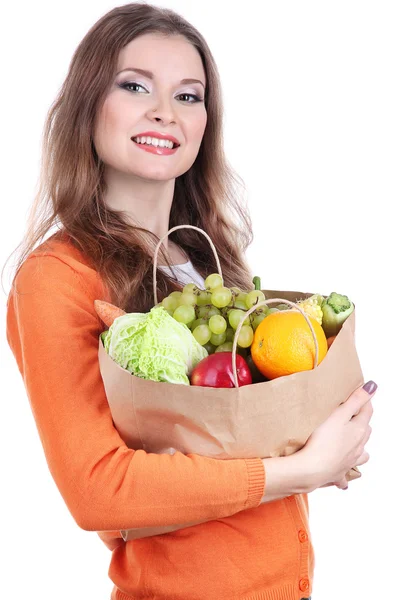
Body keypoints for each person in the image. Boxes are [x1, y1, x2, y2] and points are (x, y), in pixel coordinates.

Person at [4, 3, 377, 599]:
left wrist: (324, 435)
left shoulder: (211, 265)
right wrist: (301, 470)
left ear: (207, 121)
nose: (164, 112)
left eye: (188, 95)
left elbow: (237, 437)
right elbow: (100, 493)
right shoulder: (59, 278)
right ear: (85, 106)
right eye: (134, 86)